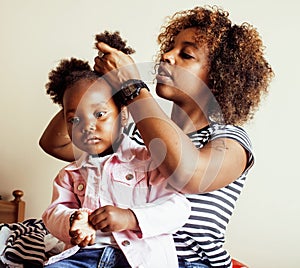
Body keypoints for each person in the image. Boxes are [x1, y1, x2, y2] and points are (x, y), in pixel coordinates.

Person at [40, 6, 274, 267]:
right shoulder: (137, 134)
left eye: (185, 54)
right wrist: (90, 87)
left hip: (189, 261)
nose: (167, 55)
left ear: (219, 77)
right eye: (170, 47)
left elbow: (188, 175)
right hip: (124, 254)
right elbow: (55, 143)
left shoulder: (230, 140)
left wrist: (131, 87)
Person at [41, 57, 191, 268]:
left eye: (100, 114)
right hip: (84, 257)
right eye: (74, 119)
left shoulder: (148, 161)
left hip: (141, 258)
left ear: (123, 115)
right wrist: (72, 220)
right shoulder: (71, 173)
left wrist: (131, 218)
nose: (87, 126)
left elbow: (178, 208)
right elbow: (53, 213)